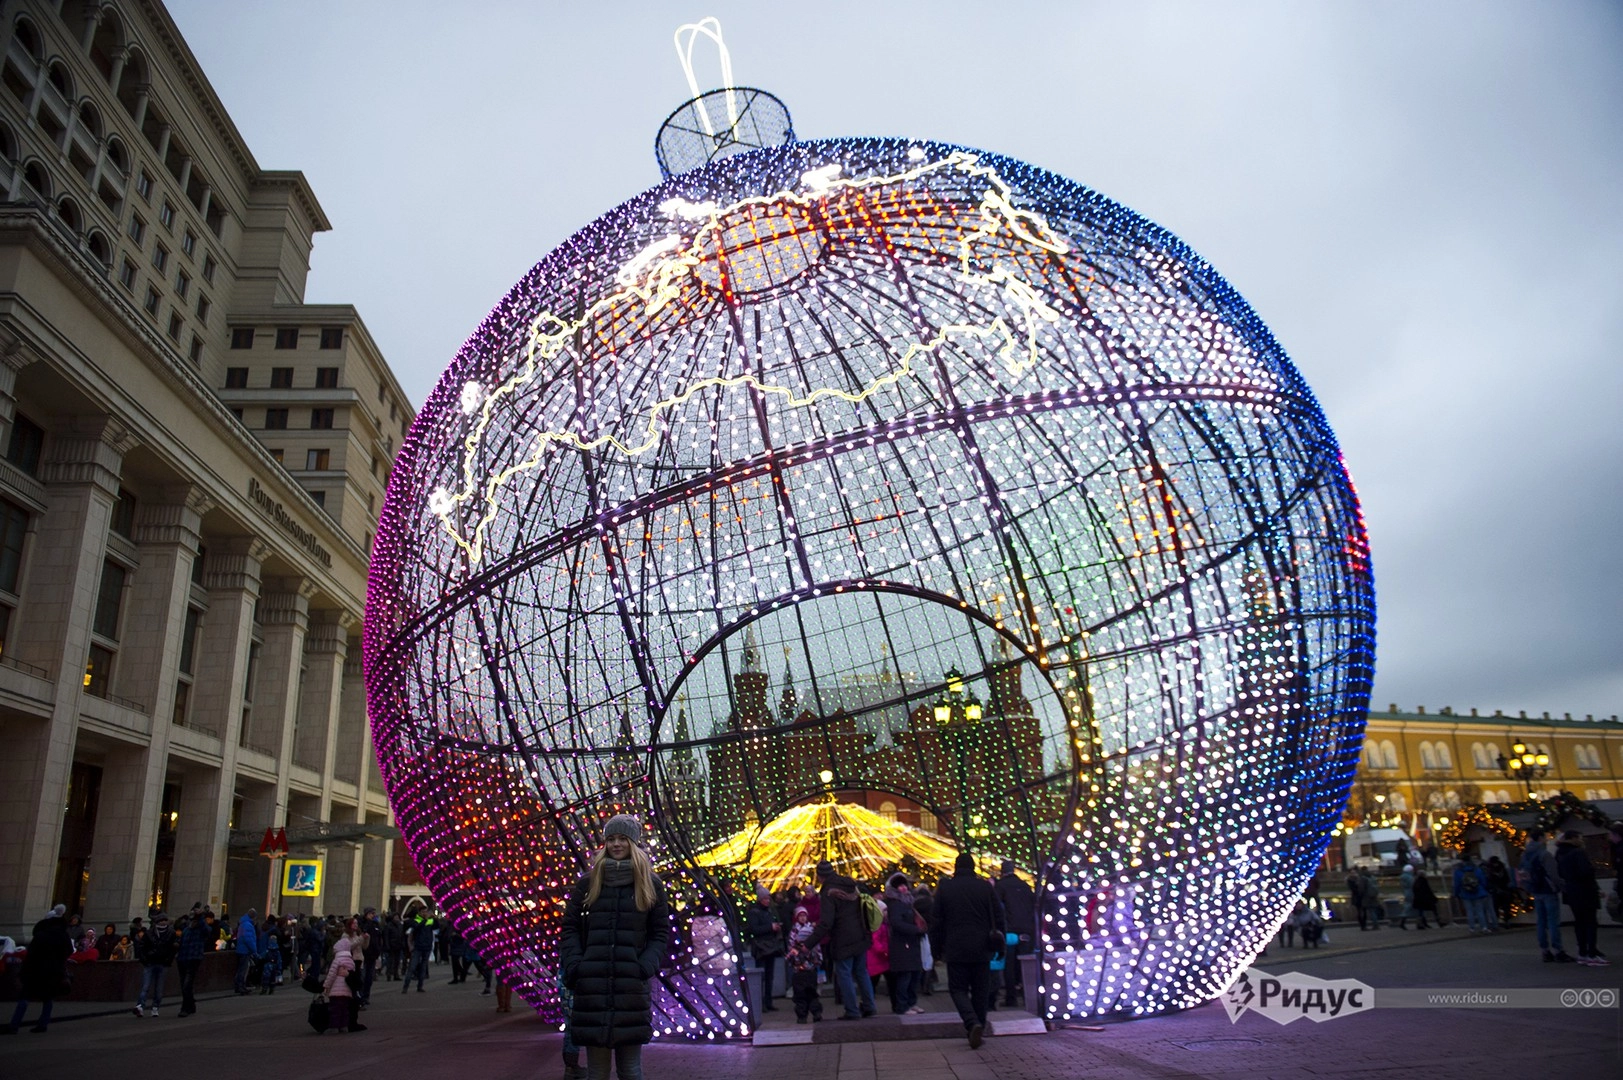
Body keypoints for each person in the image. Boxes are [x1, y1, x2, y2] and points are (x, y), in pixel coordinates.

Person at [558, 814, 670, 1080]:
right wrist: (576, 966)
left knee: (630, 1070)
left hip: (630, 988)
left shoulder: (649, 883)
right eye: (611, 839)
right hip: (592, 988)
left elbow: (660, 933)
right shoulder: (589, 883)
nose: (616, 844)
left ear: (634, 843)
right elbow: (570, 928)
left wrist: (644, 966)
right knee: (597, 1072)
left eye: (622, 839)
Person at [930, 852, 1006, 1049]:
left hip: (955, 947)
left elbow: (936, 922)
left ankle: (972, 1023)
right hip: (982, 947)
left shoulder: (945, 888)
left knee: (958, 989)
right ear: (973, 867)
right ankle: (978, 1025)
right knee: (981, 990)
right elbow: (999, 917)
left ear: (956, 867)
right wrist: (1001, 946)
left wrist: (935, 949)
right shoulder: (984, 887)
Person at [805, 859, 876, 1021]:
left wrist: (808, 944)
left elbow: (826, 922)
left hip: (843, 939)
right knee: (861, 972)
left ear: (820, 876)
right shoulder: (850, 884)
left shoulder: (828, 892)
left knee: (844, 974)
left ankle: (852, 1010)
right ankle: (869, 1006)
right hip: (860, 934)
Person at [5, 905, 71, 1034]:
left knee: (24, 997)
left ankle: (14, 1025)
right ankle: (43, 1024)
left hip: (35, 970)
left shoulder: (41, 935)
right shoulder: (63, 935)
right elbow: (69, 950)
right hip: (54, 971)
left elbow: (31, 954)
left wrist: (24, 971)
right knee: (48, 998)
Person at [1520, 830, 1573, 962]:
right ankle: (1558, 950)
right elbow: (1553, 874)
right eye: (1545, 837)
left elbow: (1522, 873)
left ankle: (1545, 950)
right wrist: (1563, 887)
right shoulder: (1544, 854)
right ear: (1540, 838)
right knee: (1553, 921)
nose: (1547, 839)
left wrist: (1528, 887)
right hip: (1548, 890)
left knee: (1541, 922)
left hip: (1536, 890)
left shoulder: (1525, 854)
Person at [1555, 831, 1607, 965]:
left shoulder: (1560, 853)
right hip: (1585, 890)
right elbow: (1586, 872)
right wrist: (1595, 887)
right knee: (1590, 922)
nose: (1581, 841)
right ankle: (1592, 953)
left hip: (1571, 891)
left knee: (1579, 922)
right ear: (1573, 839)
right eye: (1579, 838)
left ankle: (1582, 952)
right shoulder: (1578, 853)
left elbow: (1559, 872)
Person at [993, 860, 1034, 1007]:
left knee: (1009, 964)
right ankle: (1027, 995)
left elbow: (996, 908)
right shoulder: (1025, 886)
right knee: (1024, 962)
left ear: (1002, 871)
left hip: (1010, 930)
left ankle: (1011, 998)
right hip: (1027, 929)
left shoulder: (1000, 886)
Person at [883, 873, 926, 1015]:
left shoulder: (908, 902)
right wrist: (915, 930)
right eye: (900, 886)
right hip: (902, 944)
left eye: (904, 885)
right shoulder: (895, 904)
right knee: (905, 976)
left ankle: (911, 1003)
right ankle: (902, 1005)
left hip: (911, 943)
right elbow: (896, 923)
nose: (904, 888)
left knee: (914, 975)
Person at [744, 883, 784, 1011]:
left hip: (770, 946)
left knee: (769, 976)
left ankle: (768, 1001)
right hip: (761, 947)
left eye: (768, 898)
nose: (767, 901)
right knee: (761, 976)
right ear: (760, 899)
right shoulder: (754, 912)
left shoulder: (769, 911)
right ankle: (761, 1003)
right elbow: (754, 929)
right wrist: (770, 927)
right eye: (765, 898)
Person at [320, 936, 366, 1033]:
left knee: (334, 1010)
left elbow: (331, 974)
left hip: (336, 990)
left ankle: (334, 1027)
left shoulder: (337, 960)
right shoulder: (350, 961)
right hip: (346, 990)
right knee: (344, 1009)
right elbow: (353, 974)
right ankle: (344, 1026)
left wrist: (326, 986)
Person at [133, 912, 176, 1016]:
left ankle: (155, 1007)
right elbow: (142, 947)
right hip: (150, 962)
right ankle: (140, 1006)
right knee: (145, 986)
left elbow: (172, 949)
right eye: (161, 921)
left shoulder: (171, 933)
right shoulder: (149, 933)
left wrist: (168, 960)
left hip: (162, 963)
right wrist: (144, 960)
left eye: (164, 920)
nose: (163, 922)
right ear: (156, 922)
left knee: (159, 988)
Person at [786, 907, 823, 1024]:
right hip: (799, 968)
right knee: (800, 993)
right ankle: (802, 1015)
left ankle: (816, 1013)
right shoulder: (794, 931)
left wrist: (817, 959)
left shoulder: (812, 930)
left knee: (812, 992)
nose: (802, 918)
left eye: (804, 916)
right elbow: (791, 947)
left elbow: (817, 946)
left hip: (811, 966)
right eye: (800, 916)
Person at [175, 909, 216, 1017]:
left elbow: (207, 930)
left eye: (195, 920)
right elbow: (181, 942)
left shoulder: (201, 930)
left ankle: (185, 1008)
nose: (193, 922)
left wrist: (200, 917)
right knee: (184, 984)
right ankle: (191, 1005)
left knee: (187, 984)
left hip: (194, 959)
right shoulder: (187, 930)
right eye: (192, 920)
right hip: (182, 959)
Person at [1453, 854, 1496, 934]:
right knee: (1480, 911)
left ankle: (1472, 928)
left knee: (1469, 911)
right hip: (1478, 892)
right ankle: (1484, 927)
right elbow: (1482, 880)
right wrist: (1482, 888)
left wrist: (1456, 893)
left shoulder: (1458, 871)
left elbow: (1457, 884)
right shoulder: (1476, 869)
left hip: (1465, 893)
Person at [403, 910, 434, 992]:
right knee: (412, 966)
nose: (425, 913)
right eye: (423, 912)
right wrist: (425, 920)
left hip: (427, 947)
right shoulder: (416, 920)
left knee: (423, 967)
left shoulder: (430, 921)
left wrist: (434, 918)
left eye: (426, 912)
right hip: (418, 947)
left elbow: (436, 926)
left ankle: (420, 986)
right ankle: (405, 986)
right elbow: (417, 927)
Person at [1484, 855, 1514, 927]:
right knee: (1506, 906)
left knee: (1496, 907)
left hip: (1496, 891)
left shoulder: (1489, 870)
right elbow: (1507, 879)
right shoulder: (1502, 869)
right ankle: (1506, 921)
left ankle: (1496, 922)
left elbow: (1489, 881)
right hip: (1505, 889)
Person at [234, 908, 259, 993]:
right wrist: (254, 950)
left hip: (241, 949)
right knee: (243, 970)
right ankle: (240, 986)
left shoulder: (243, 923)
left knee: (240, 969)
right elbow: (249, 939)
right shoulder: (248, 925)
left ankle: (239, 986)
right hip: (245, 951)